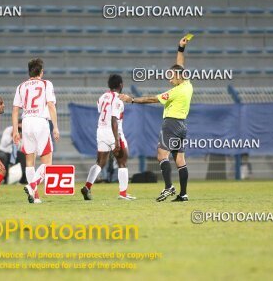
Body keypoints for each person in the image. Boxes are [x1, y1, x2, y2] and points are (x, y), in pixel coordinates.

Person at [119, 36, 192, 202]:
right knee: (180, 159)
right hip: (182, 126)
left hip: (171, 124)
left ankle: (168, 187)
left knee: (161, 155)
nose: (169, 79)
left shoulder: (176, 92)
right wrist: (181, 48)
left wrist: (132, 100)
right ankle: (184, 194)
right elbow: (180, 65)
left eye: (171, 76)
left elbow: (152, 99)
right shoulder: (187, 85)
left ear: (179, 77)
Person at [12, 58, 60, 204]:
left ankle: (35, 196)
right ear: (41, 72)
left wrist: (15, 130)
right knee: (47, 163)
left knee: (29, 160)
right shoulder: (46, 84)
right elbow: (51, 105)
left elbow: (15, 109)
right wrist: (56, 127)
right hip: (40, 121)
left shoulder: (21, 86)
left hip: (26, 122)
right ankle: (32, 185)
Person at [81, 74, 135, 201]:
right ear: (121, 85)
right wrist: (116, 141)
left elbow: (102, 112)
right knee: (122, 161)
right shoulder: (118, 99)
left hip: (101, 130)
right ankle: (123, 194)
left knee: (100, 162)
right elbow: (114, 119)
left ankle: (87, 187)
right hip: (114, 132)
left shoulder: (102, 97)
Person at [0, 119, 27, 183]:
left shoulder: (24, 133)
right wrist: (11, 136)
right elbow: (3, 144)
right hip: (4, 151)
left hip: (14, 153)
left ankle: (23, 179)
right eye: (18, 127)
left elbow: (21, 148)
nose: (19, 129)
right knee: (2, 156)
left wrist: (20, 139)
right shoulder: (8, 130)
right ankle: (4, 179)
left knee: (23, 156)